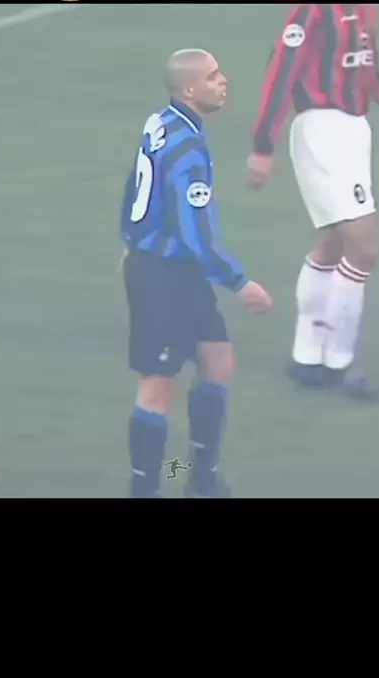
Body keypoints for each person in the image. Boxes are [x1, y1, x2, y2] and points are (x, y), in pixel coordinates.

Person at [120, 48, 273, 498]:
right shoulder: (187, 148)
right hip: (162, 275)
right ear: (189, 89)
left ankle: (198, 477)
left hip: (175, 270)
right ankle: (146, 491)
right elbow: (195, 235)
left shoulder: (162, 122)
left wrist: (129, 238)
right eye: (212, 76)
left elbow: (136, 186)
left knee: (218, 360)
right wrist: (239, 282)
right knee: (158, 386)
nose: (223, 81)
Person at [246, 4, 379, 399]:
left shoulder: (366, 9)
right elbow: (282, 70)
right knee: (365, 245)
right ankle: (339, 363)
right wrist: (263, 145)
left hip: (354, 131)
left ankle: (307, 358)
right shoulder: (314, 9)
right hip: (323, 128)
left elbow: (369, 75)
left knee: (332, 241)